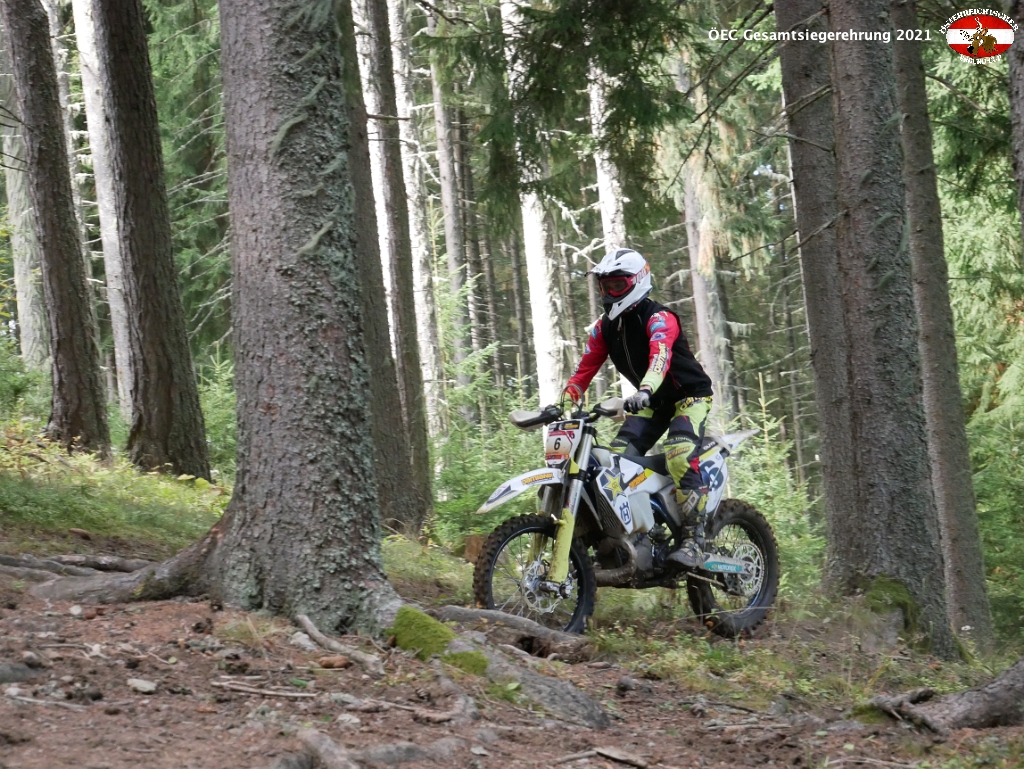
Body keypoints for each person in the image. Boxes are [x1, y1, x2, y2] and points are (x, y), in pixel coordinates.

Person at [559, 248, 714, 568]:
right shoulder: (605, 328)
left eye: (617, 286)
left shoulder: (660, 319)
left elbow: (660, 358)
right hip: (652, 402)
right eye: (605, 287)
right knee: (614, 464)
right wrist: (563, 403)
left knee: (679, 453)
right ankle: (642, 533)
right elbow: (583, 372)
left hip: (689, 397)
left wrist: (644, 390)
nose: (609, 293)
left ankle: (695, 540)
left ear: (637, 281)